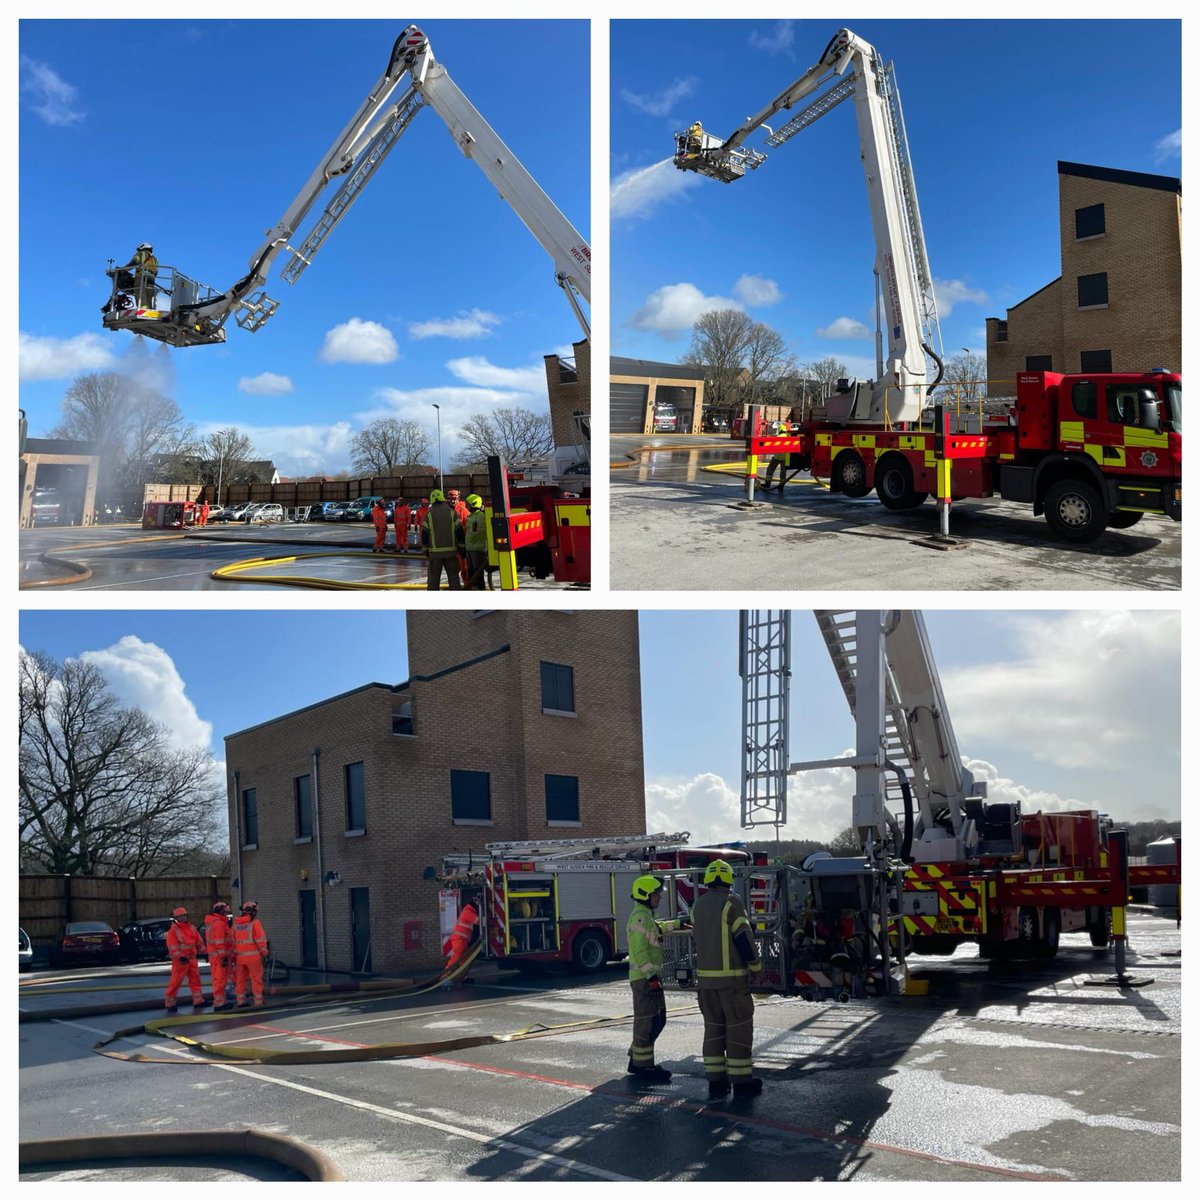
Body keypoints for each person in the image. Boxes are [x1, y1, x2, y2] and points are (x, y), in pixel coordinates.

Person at [690, 859, 763, 1099]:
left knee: (713, 1031)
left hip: (706, 984)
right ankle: (741, 1083)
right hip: (732, 983)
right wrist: (756, 965)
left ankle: (716, 1082)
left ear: (708, 880)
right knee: (738, 1030)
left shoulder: (697, 906)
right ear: (729, 880)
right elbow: (743, 937)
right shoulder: (732, 903)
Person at [626, 875, 684, 1084]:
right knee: (648, 1021)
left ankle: (637, 1058)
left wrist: (680, 923)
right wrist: (651, 977)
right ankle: (643, 1067)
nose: (659, 897)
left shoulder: (645, 916)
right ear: (645, 895)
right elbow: (640, 951)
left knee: (657, 1020)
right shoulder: (640, 918)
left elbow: (658, 928)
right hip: (644, 979)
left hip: (648, 978)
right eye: (656, 894)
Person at [164, 906, 206, 1014]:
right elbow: (172, 946)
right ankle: (170, 1003)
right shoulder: (173, 931)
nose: (182, 918)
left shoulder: (191, 927)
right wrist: (180, 956)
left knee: (195, 981)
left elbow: (199, 941)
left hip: (191, 959)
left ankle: (198, 1000)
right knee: (175, 982)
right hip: (180, 961)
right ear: (176, 918)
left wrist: (204, 952)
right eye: (180, 917)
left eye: (183, 916)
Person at [422, 489, 463, 590]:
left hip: (435, 554)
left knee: (433, 581)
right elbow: (460, 531)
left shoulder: (429, 514)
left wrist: (425, 549)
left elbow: (425, 534)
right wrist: (462, 547)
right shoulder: (451, 512)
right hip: (451, 552)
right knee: (454, 579)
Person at [233, 900, 269, 1008]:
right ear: (252, 912)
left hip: (239, 958)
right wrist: (264, 953)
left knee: (240, 980)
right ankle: (258, 1001)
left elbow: (232, 941)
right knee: (256, 979)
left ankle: (241, 1001)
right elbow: (260, 940)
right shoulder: (255, 923)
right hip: (253, 958)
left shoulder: (236, 925)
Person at [203, 901, 235, 1011]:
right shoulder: (218, 924)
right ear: (220, 911)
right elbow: (219, 943)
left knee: (220, 980)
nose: (226, 915)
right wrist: (223, 957)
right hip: (219, 958)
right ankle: (219, 1003)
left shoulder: (215, 923)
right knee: (219, 980)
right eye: (225, 912)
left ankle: (221, 1001)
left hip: (217, 957)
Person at [442, 900, 479, 985]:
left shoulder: (468, 911)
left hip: (462, 939)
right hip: (459, 939)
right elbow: (478, 920)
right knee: (457, 957)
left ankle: (463, 976)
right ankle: (446, 974)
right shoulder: (468, 911)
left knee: (464, 959)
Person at [463, 494, 491, 590]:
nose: (467, 506)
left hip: (478, 550)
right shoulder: (470, 517)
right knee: (471, 571)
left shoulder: (483, 516)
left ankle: (480, 589)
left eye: (468, 504)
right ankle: (474, 588)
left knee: (478, 572)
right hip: (470, 549)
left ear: (473, 504)